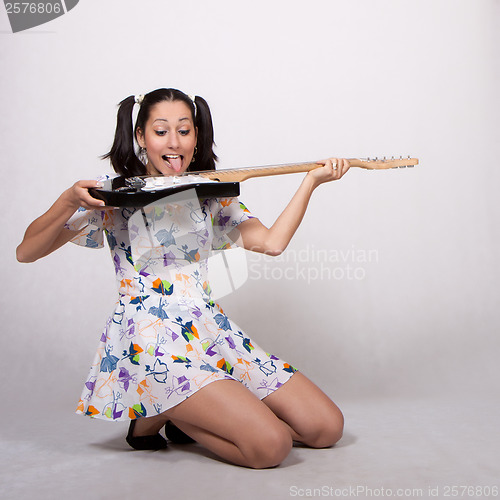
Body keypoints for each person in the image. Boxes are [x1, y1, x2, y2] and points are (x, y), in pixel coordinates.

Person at [16, 88, 350, 469]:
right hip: (150, 339)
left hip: (208, 328)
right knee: (270, 447)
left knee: (325, 428)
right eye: (161, 132)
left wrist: (311, 181)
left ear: (197, 136)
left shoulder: (211, 194)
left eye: (184, 130)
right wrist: (68, 200)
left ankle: (176, 412)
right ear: (141, 137)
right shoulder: (115, 196)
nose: (174, 143)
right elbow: (26, 252)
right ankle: (166, 412)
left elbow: (272, 243)